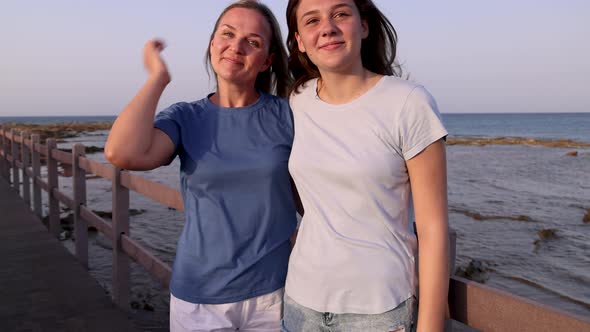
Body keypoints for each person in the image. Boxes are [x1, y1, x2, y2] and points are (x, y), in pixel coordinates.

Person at [104, 1, 297, 331]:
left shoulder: (289, 114)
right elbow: (122, 153)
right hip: (200, 296)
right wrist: (158, 78)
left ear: (267, 60)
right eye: (227, 34)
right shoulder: (185, 117)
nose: (235, 46)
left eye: (252, 41)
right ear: (212, 45)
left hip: (275, 293)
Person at [282, 0, 450, 331]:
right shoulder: (296, 100)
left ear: (364, 26)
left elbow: (433, 229)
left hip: (378, 310)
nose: (328, 27)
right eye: (312, 21)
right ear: (300, 41)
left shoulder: (408, 103)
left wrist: (430, 325)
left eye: (341, 14)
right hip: (300, 303)